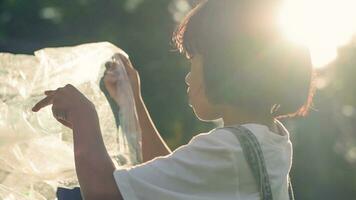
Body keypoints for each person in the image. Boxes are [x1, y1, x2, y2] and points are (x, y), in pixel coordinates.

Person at [32, 0, 315, 199]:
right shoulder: (270, 141)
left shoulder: (230, 149)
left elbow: (105, 193)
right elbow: (172, 178)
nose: (188, 77)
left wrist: (85, 116)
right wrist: (133, 102)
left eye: (193, 59)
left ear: (225, 65)